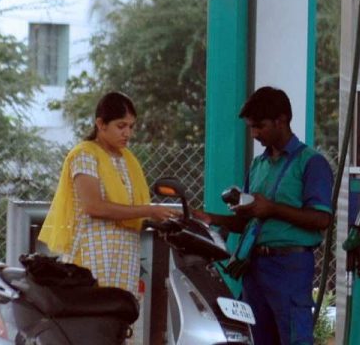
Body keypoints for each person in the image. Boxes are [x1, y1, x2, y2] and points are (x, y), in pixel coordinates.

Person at [195, 86, 333, 345]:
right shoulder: (259, 165)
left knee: (294, 338)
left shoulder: (311, 163)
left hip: (289, 266)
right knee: (254, 337)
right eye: (251, 127)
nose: (255, 133)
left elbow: (321, 219)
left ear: (281, 120)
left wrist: (272, 209)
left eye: (260, 126)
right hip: (255, 267)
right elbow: (250, 220)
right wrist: (210, 219)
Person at [38, 91, 179, 296]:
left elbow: (132, 210)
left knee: (120, 317)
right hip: (93, 255)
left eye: (131, 127)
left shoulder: (127, 160)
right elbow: (93, 206)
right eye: (121, 126)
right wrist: (148, 210)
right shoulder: (85, 154)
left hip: (125, 255)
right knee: (92, 317)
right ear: (101, 124)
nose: (127, 133)